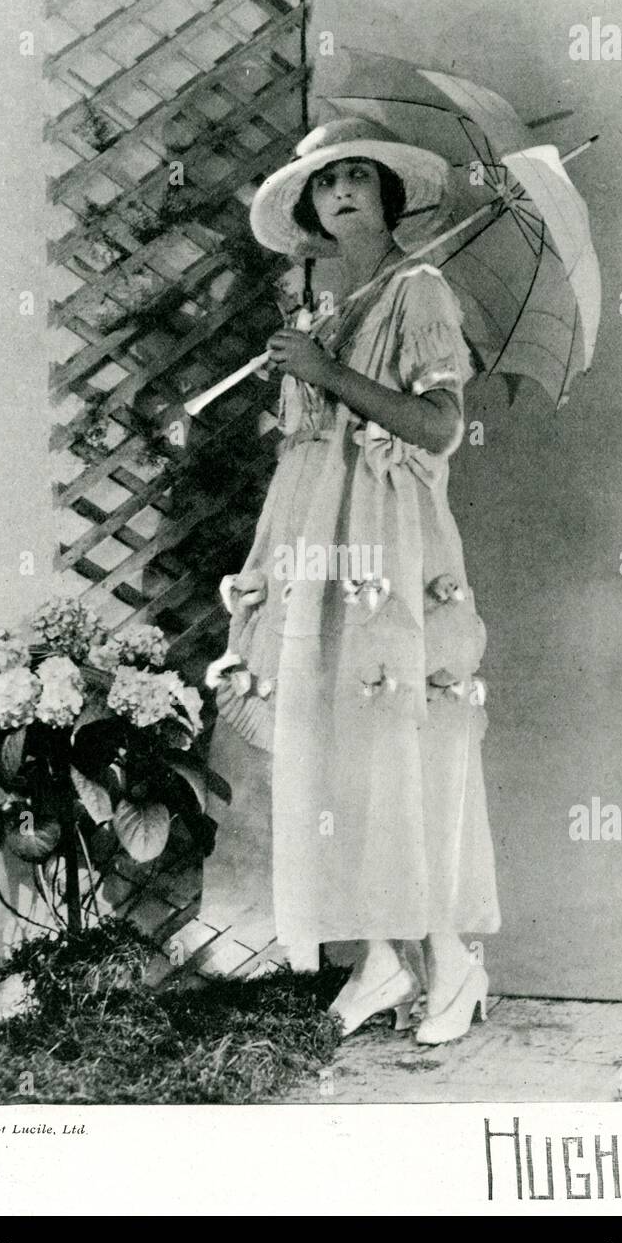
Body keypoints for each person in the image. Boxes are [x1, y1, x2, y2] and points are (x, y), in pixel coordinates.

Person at [205, 118, 500, 1045]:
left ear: (386, 198)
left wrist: (330, 372)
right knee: (330, 730)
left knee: (394, 735)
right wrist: (307, 364)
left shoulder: (419, 290)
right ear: (308, 212)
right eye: (324, 182)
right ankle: (379, 955)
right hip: (314, 541)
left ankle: (450, 960)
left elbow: (441, 427)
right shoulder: (320, 311)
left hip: (384, 542)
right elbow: (310, 443)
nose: (340, 191)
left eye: (359, 177)